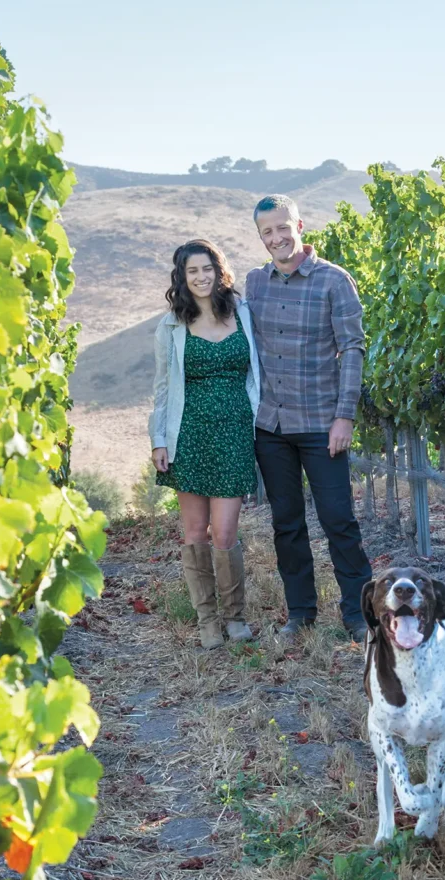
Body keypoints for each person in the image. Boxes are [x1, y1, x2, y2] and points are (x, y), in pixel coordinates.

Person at [246, 194, 372, 643]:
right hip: (272, 428)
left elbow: (353, 349)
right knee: (287, 524)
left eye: (283, 227)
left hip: (322, 423)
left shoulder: (334, 281)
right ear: (260, 236)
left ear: (300, 225)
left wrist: (345, 417)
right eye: (267, 231)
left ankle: (359, 617)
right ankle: (300, 614)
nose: (277, 237)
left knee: (339, 520)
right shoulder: (255, 283)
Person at [149, 239, 261, 650]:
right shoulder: (172, 325)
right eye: (192, 271)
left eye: (207, 269)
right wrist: (158, 439)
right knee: (196, 531)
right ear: (182, 277)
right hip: (189, 432)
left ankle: (234, 616)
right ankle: (207, 620)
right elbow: (162, 388)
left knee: (225, 533)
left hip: (234, 431)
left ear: (219, 270)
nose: (201, 277)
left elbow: (257, 373)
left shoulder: (242, 313)